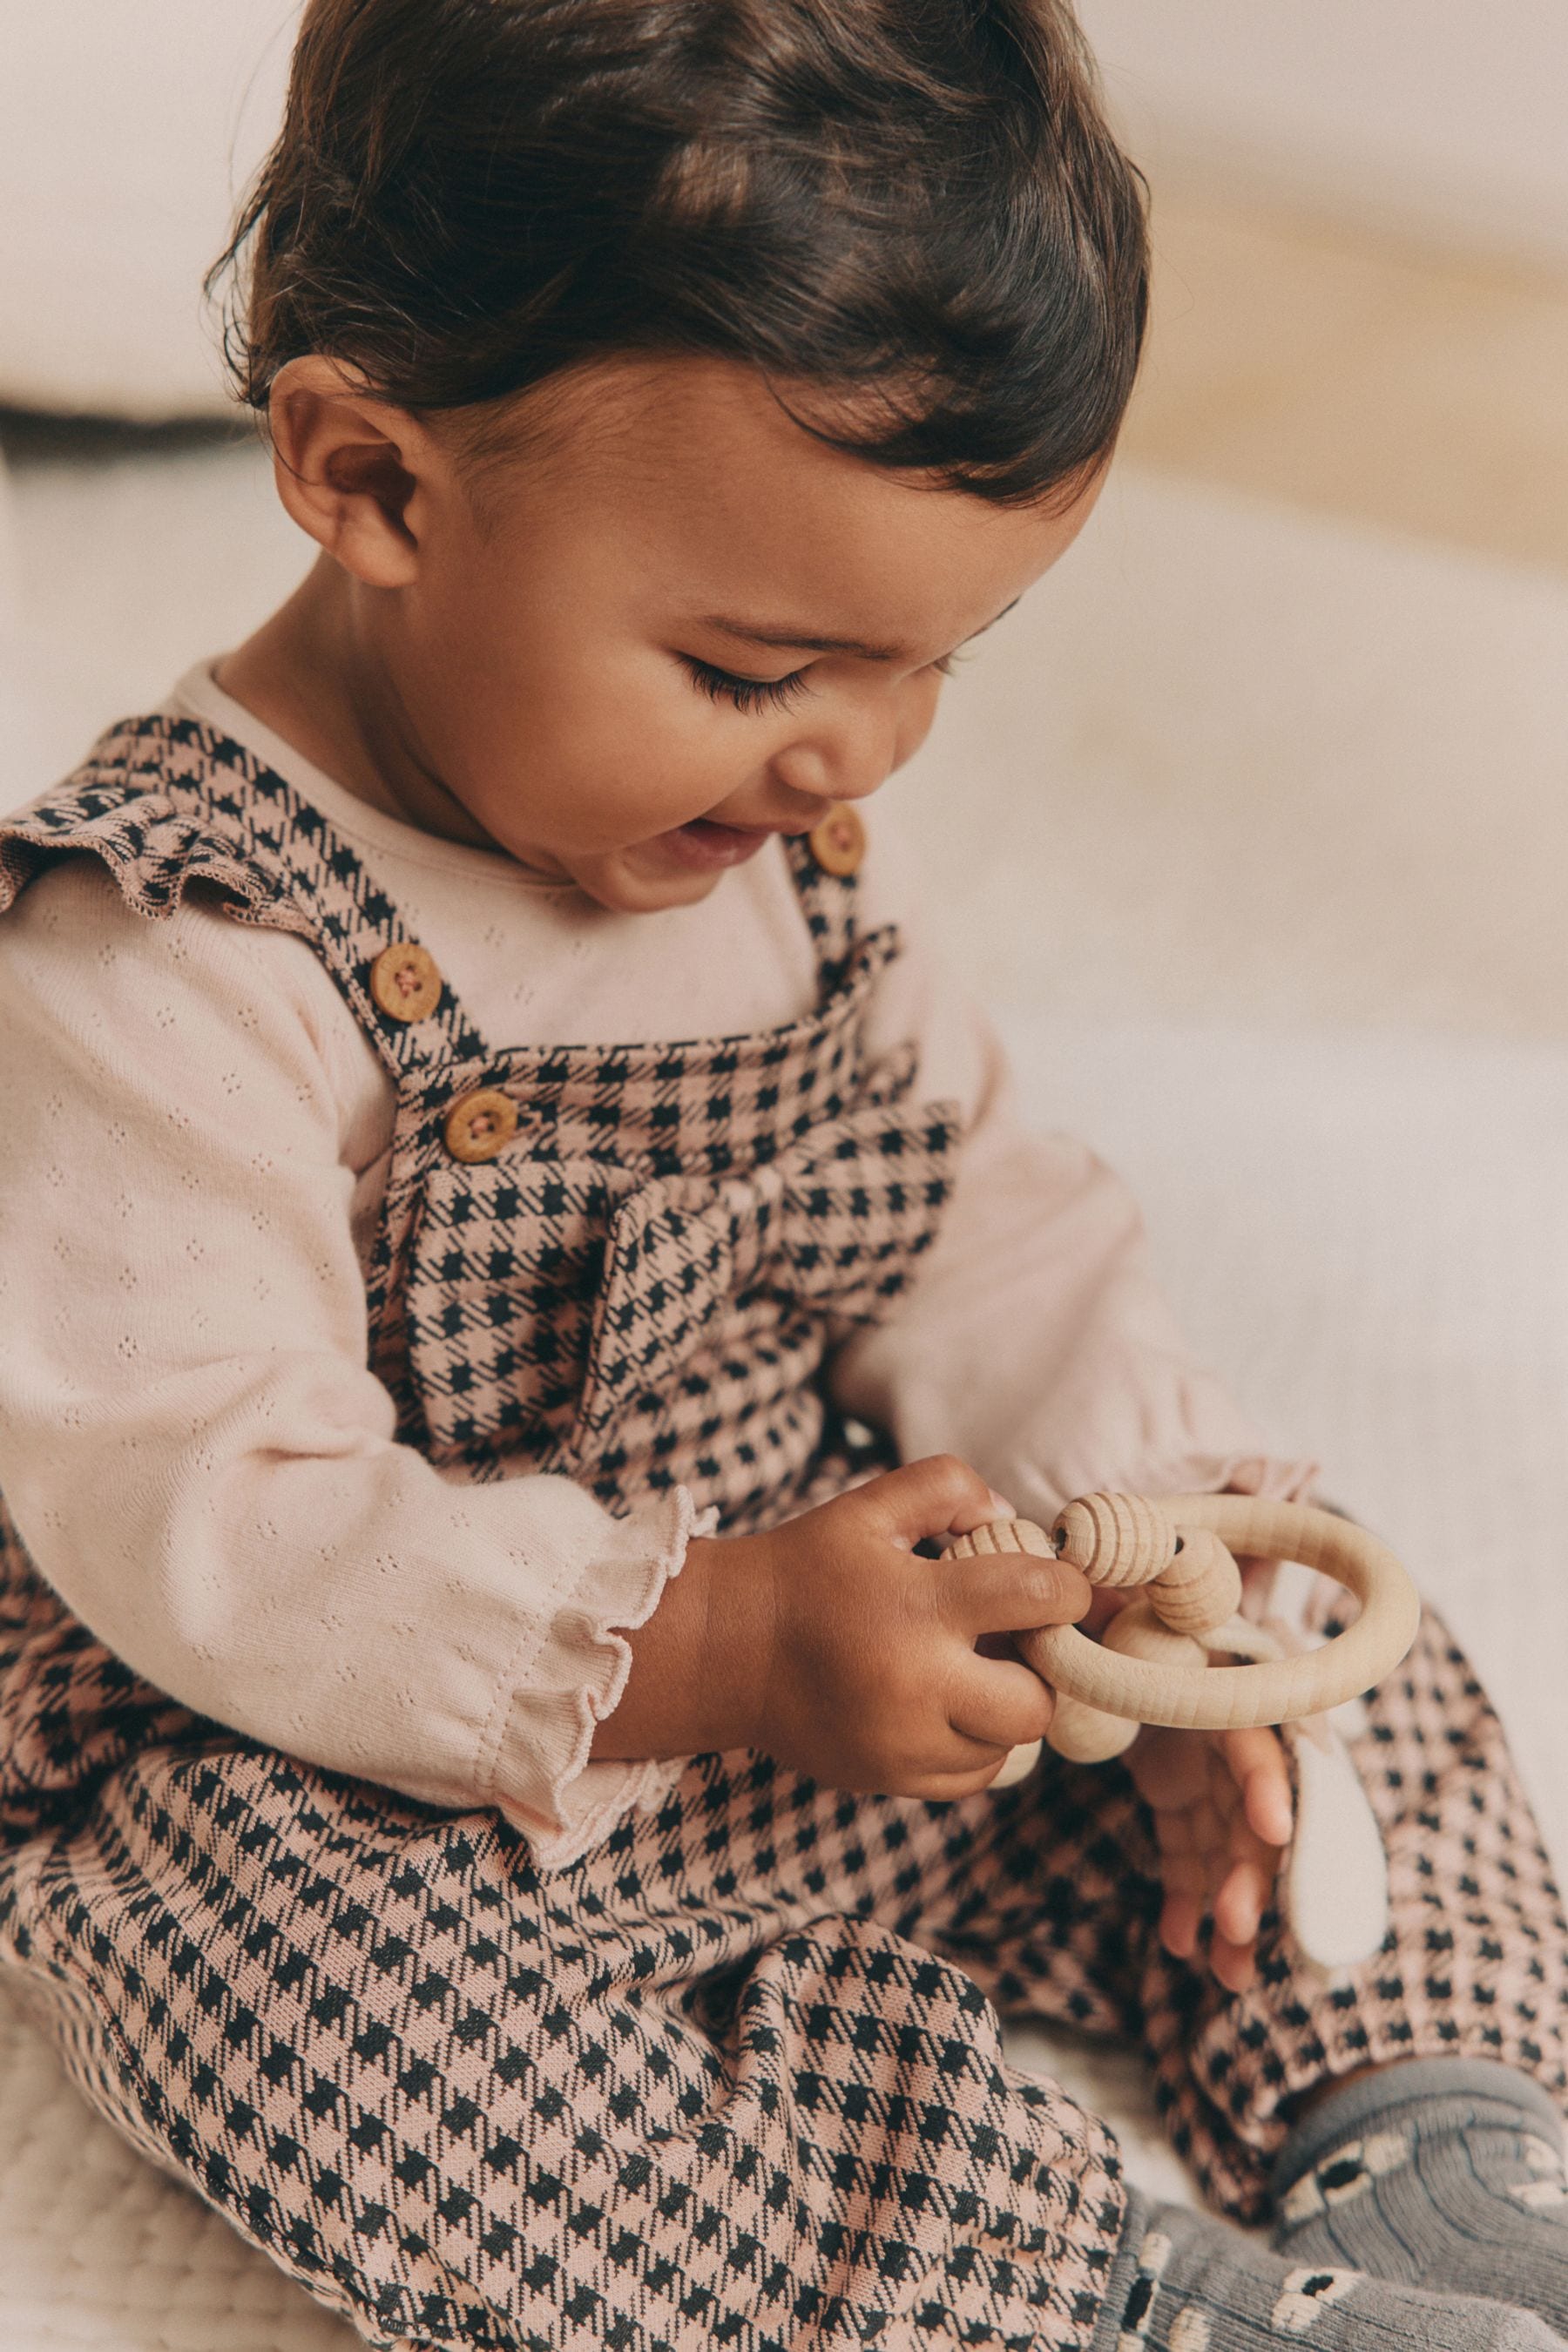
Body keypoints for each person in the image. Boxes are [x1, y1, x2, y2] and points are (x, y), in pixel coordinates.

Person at [0, 4, 1564, 2348]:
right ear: (373, 477)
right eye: (756, 665)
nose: (859, 747)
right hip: (401, 1761)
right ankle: (1067, 2282)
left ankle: (1410, 2103)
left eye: (939, 660)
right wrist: (714, 1637)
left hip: (858, 1668)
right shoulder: (173, 954)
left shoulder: (779, 839)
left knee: (1345, 1642)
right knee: (257, 1969)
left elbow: (983, 1219)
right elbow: (209, 1521)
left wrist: (1166, 1573)